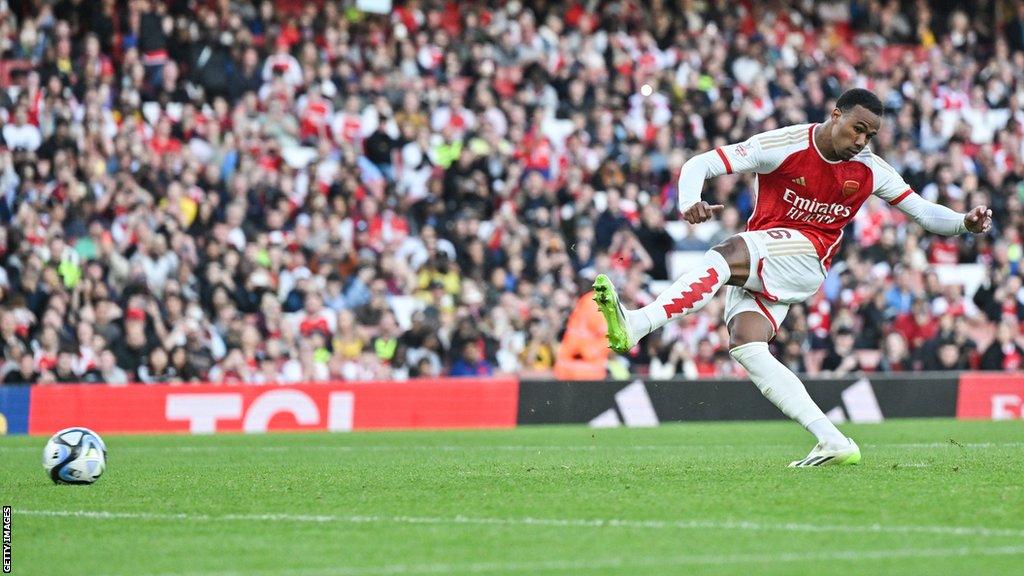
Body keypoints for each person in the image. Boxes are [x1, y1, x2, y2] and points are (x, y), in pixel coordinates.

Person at [593, 89, 992, 468]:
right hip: (770, 254)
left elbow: (923, 212)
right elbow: (700, 163)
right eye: (858, 128)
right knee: (747, 345)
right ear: (836, 115)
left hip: (807, 258)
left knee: (729, 253)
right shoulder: (784, 145)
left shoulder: (869, 170)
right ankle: (832, 439)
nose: (862, 140)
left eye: (870, 135)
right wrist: (688, 201)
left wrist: (962, 223)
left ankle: (638, 324)